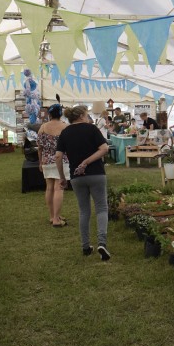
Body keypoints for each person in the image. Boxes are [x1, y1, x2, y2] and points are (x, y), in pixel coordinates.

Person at [56, 105, 111, 260]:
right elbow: (104, 148)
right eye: (87, 114)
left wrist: (62, 177)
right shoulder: (91, 129)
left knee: (84, 211)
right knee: (101, 208)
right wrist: (87, 161)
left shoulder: (65, 132)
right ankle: (102, 243)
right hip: (96, 174)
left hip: (76, 177)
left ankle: (86, 247)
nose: (88, 117)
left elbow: (58, 157)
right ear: (81, 115)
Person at [37, 104, 69, 227]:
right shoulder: (65, 127)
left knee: (49, 188)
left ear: (49, 114)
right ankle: (56, 218)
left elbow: (39, 147)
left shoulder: (43, 127)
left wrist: (40, 161)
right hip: (62, 160)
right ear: (60, 114)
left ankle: (52, 216)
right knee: (59, 188)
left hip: (46, 160)